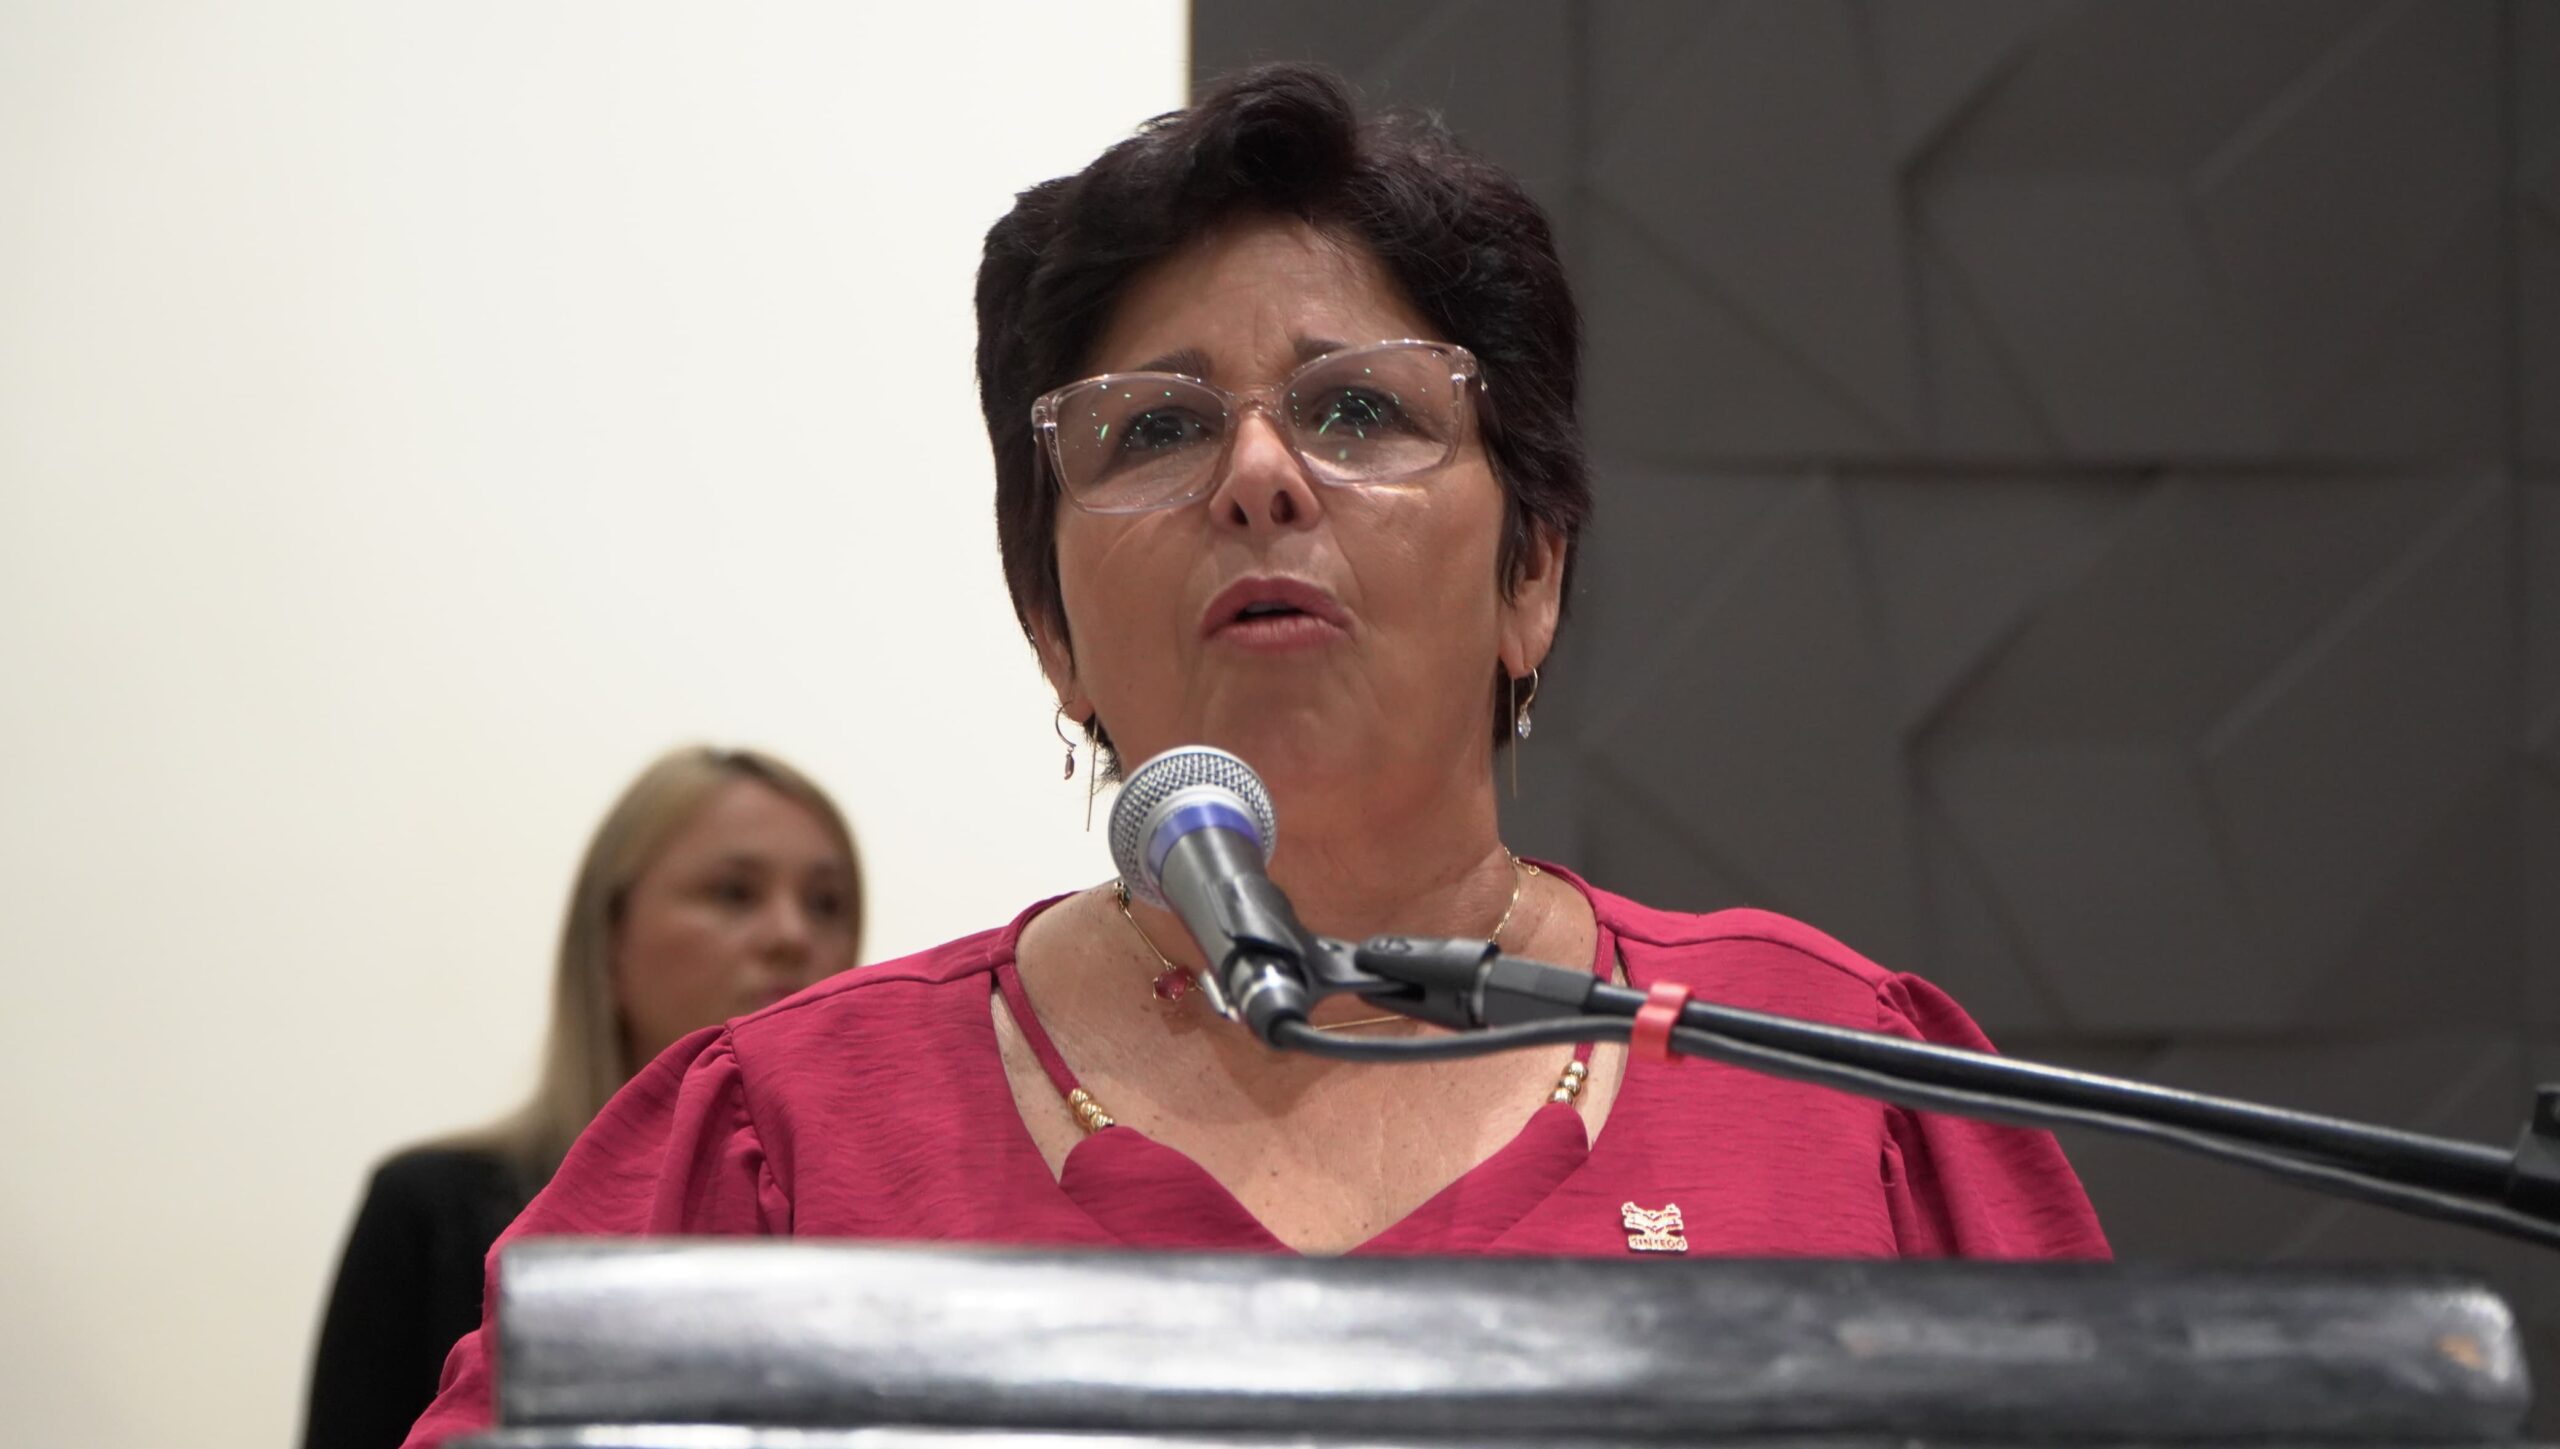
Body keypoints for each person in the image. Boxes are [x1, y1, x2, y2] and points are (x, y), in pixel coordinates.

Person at [399, 64, 2106, 1448]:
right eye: (1156, 426)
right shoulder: (780, 1142)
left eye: (1359, 408)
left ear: (1532, 572)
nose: (1260, 476)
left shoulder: (1836, 1093)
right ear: (1050, 623)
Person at [304, 745, 863, 1449]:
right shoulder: (431, 1211)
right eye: (733, 893)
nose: (792, 935)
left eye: (827, 904)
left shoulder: (873, 1244)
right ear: (608, 941)